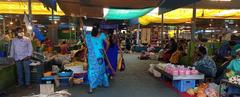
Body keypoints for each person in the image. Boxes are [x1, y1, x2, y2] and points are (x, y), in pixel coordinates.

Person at [85, 23, 115, 93]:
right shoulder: (102, 35)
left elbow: (87, 45)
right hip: (100, 54)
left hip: (92, 56)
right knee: (101, 69)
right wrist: (104, 50)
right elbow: (108, 43)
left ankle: (91, 88)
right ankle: (102, 82)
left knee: (92, 69)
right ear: (98, 29)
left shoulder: (88, 36)